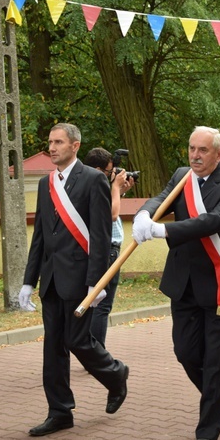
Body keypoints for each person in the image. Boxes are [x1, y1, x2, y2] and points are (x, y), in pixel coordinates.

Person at [133, 126, 220, 440]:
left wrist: (161, 230)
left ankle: (207, 430)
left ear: (218, 152)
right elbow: (162, 197)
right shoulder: (182, 175)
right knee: (185, 351)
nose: (195, 155)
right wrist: (145, 212)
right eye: (191, 149)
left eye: (202, 150)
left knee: (216, 361)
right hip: (183, 281)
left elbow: (212, 222)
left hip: (219, 284)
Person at [19, 123, 129, 437]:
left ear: (75, 146)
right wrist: (30, 280)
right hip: (52, 279)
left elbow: (100, 233)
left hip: (82, 279)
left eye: (58, 142)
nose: (52, 147)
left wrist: (98, 282)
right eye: (50, 142)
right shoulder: (45, 183)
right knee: (53, 346)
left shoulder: (94, 179)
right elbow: (40, 234)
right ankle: (60, 411)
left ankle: (115, 374)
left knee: (78, 341)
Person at [83, 147, 135, 346]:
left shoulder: (84, 184)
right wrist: (114, 188)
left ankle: (91, 350)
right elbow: (111, 215)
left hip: (100, 249)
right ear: (98, 169)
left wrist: (118, 192)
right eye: (109, 171)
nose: (112, 174)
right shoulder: (95, 185)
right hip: (107, 251)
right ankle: (97, 353)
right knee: (102, 305)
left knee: (95, 303)